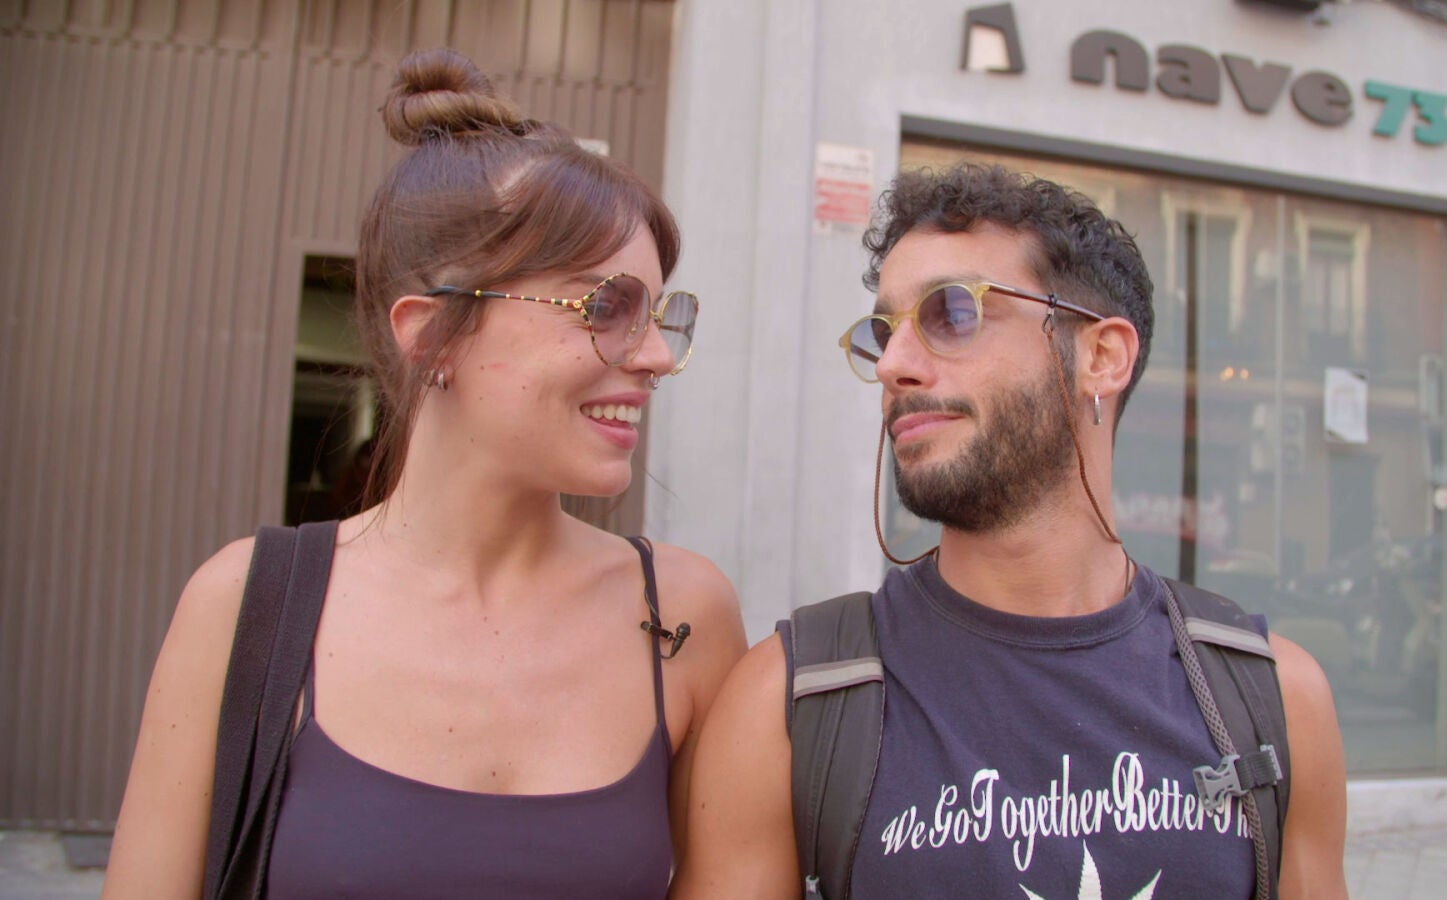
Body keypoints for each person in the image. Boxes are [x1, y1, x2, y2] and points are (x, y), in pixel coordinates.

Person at [103, 47, 746, 898]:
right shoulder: (247, 606)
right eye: (605, 306)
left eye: (661, 314)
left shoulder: (685, 616)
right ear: (432, 334)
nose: (657, 355)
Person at [671, 163, 1347, 898]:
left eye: (952, 313)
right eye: (884, 332)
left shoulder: (1270, 698)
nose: (893, 365)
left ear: (1101, 357)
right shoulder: (792, 703)